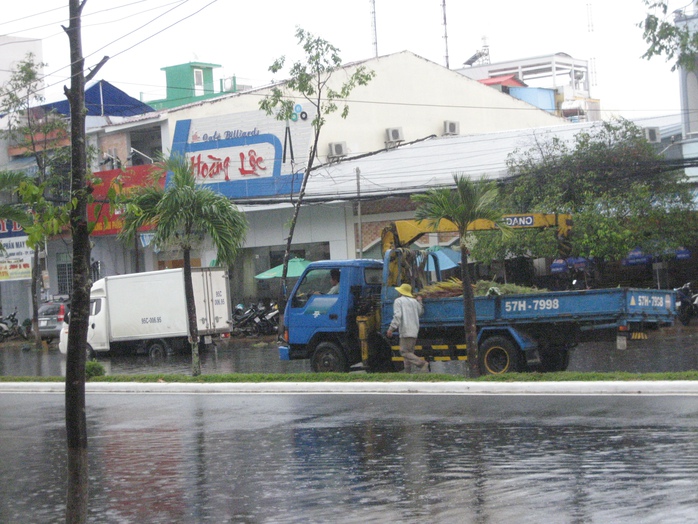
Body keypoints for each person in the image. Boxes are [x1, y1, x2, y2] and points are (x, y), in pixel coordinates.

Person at [386, 283, 428, 373]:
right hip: (414, 331)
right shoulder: (414, 302)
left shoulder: (399, 301)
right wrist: (420, 301)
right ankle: (407, 373)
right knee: (409, 354)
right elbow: (420, 312)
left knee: (404, 352)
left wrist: (391, 328)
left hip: (405, 331)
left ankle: (422, 364)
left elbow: (397, 316)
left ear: (401, 292)